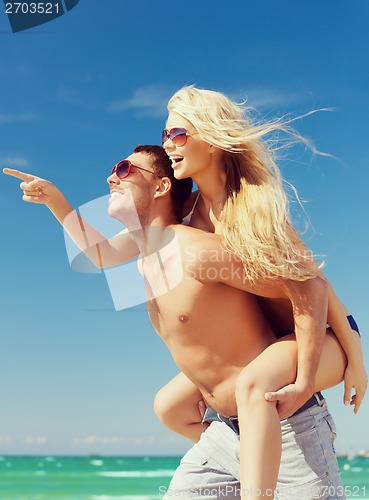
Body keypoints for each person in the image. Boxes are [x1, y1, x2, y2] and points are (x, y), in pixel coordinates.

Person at [3, 145, 365, 499]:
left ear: (161, 187)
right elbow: (99, 253)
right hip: (227, 432)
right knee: (167, 406)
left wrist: (353, 351)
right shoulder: (145, 252)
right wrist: (54, 200)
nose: (111, 177)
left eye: (125, 170)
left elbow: (308, 285)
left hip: (287, 426)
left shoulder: (195, 252)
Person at [154, 85, 367, 498]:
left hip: (318, 338)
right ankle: (243, 452)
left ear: (211, 139)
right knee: (169, 405)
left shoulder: (254, 207)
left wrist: (352, 358)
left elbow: (317, 287)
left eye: (177, 134)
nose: (168, 146)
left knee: (253, 383)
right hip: (271, 347)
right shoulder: (187, 215)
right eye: (165, 136)